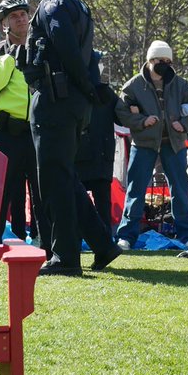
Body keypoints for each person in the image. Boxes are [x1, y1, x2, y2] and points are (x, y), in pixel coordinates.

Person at [23, 0, 121, 276]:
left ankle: (64, 257)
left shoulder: (52, 4)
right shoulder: (79, 4)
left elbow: (62, 41)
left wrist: (85, 85)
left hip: (56, 99)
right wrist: (89, 88)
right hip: (73, 102)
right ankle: (102, 244)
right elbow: (84, 52)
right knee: (65, 176)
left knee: (54, 181)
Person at [113, 41, 188, 248]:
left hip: (174, 145)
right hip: (144, 143)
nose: (164, 64)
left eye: (167, 61)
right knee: (136, 190)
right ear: (150, 60)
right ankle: (126, 236)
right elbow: (122, 112)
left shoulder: (180, 84)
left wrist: (184, 124)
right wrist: (141, 122)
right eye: (159, 60)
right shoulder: (133, 85)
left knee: (180, 190)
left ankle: (187, 236)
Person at [0, 0, 46, 246]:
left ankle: (46, 247)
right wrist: (9, 59)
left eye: (23, 14)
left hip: (36, 130)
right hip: (4, 132)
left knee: (42, 193)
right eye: (14, 16)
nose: (21, 19)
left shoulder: (42, 48)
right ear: (4, 22)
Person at [76, 58, 120, 240]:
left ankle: (92, 238)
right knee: (99, 201)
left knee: (80, 200)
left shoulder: (77, 91)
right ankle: (104, 240)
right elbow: (122, 118)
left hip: (89, 154)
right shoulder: (107, 93)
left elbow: (121, 117)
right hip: (96, 154)